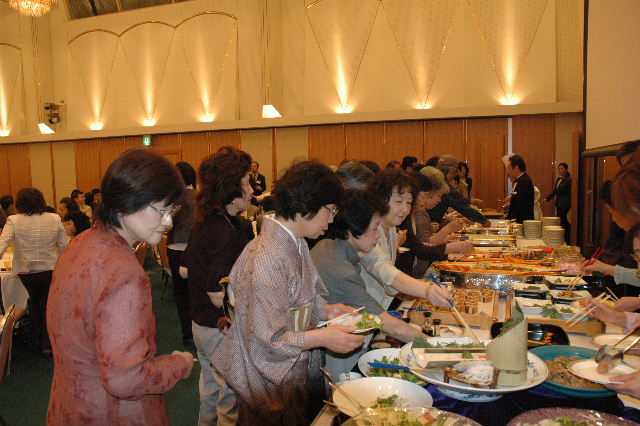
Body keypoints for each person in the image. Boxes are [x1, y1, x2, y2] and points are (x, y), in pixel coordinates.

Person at [46, 149, 193, 426]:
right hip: (112, 413)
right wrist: (179, 364)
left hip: (69, 403)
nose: (169, 221)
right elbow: (125, 379)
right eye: (162, 210)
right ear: (126, 204)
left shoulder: (80, 243)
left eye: (172, 210)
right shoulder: (124, 273)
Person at [211, 161, 364, 426]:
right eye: (330, 210)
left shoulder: (296, 241)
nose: (332, 219)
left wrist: (326, 310)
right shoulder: (267, 256)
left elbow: (297, 300)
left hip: (293, 366)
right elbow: (266, 341)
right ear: (305, 206)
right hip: (269, 379)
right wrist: (323, 337)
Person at [311, 189, 430, 378]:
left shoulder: (329, 245)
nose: (377, 236)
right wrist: (434, 346)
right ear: (353, 229)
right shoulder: (341, 270)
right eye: (374, 229)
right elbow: (391, 326)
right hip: (331, 355)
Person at [183, 147, 255, 426]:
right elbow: (217, 295)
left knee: (211, 391)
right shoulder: (225, 230)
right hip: (218, 326)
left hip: (201, 324)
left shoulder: (208, 220)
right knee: (229, 400)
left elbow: (188, 269)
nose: (252, 190)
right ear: (231, 189)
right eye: (247, 183)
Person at [360, 169, 453, 310]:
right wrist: (426, 289)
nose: (405, 209)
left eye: (409, 202)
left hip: (378, 307)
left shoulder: (391, 227)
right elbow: (383, 268)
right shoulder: (367, 229)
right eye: (398, 201)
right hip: (361, 311)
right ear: (380, 199)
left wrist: (403, 290)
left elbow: (388, 278)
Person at [0, 188, 68, 354]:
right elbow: (64, 245)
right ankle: (47, 343)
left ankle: (34, 340)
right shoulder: (54, 218)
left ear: (19, 203)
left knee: (34, 303)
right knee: (46, 304)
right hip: (49, 269)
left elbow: (2, 243)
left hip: (25, 271)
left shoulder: (13, 220)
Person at [397, 169, 473, 278]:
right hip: (413, 274)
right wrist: (450, 245)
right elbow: (419, 250)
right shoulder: (413, 215)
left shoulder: (412, 215)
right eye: (424, 196)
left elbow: (419, 245)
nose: (424, 201)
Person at [166, 161, 196, 346]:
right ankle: (197, 329)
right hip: (195, 247)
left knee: (181, 292)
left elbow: (168, 222)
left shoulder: (176, 197)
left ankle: (188, 332)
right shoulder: (200, 196)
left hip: (177, 246)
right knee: (195, 290)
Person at [428, 156, 490, 226]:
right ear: (451, 170)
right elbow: (462, 206)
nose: (455, 175)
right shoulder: (444, 185)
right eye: (455, 172)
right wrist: (484, 221)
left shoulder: (432, 179)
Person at [544, 162, 572, 242]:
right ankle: (565, 236)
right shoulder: (559, 179)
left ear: (566, 170)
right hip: (559, 203)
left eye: (562, 169)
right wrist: (547, 198)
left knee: (561, 219)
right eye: (559, 169)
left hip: (565, 203)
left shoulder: (568, 180)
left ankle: (568, 236)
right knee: (561, 220)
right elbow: (555, 191)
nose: (560, 170)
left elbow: (569, 192)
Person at [504, 154, 535, 223]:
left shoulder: (524, 181)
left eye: (509, 168)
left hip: (522, 222)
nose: (507, 171)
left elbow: (522, 206)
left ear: (516, 168)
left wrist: (509, 219)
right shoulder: (520, 180)